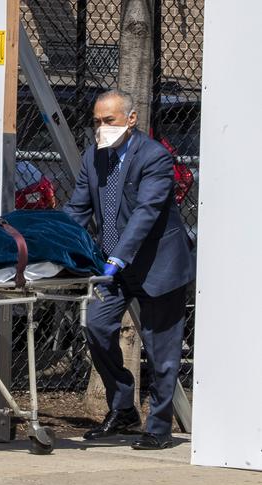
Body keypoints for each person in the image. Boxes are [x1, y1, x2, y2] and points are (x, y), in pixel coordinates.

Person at [64, 89, 194, 450]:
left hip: (157, 264)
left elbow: (146, 212)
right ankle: (123, 409)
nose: (101, 128)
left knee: (161, 349)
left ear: (131, 119)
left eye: (109, 121)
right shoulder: (93, 158)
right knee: (97, 326)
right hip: (114, 268)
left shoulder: (154, 157)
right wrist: (56, 242)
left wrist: (117, 257)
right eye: (96, 122)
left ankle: (159, 428)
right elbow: (78, 209)